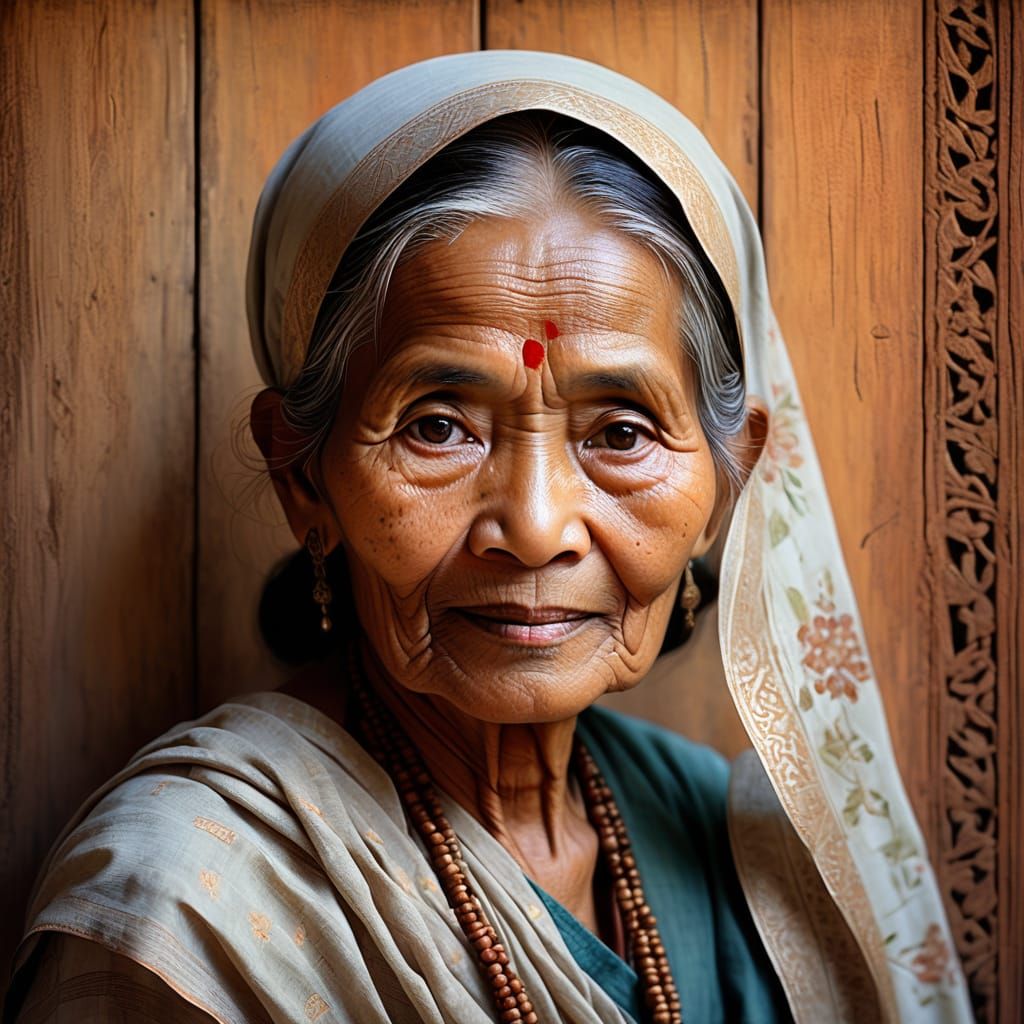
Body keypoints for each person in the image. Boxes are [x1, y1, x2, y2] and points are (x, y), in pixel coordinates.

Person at [3, 50, 972, 1024]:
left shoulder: (742, 850)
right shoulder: (188, 908)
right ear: (304, 477)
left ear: (727, 481)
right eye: (437, 427)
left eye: (621, 434)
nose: (536, 528)